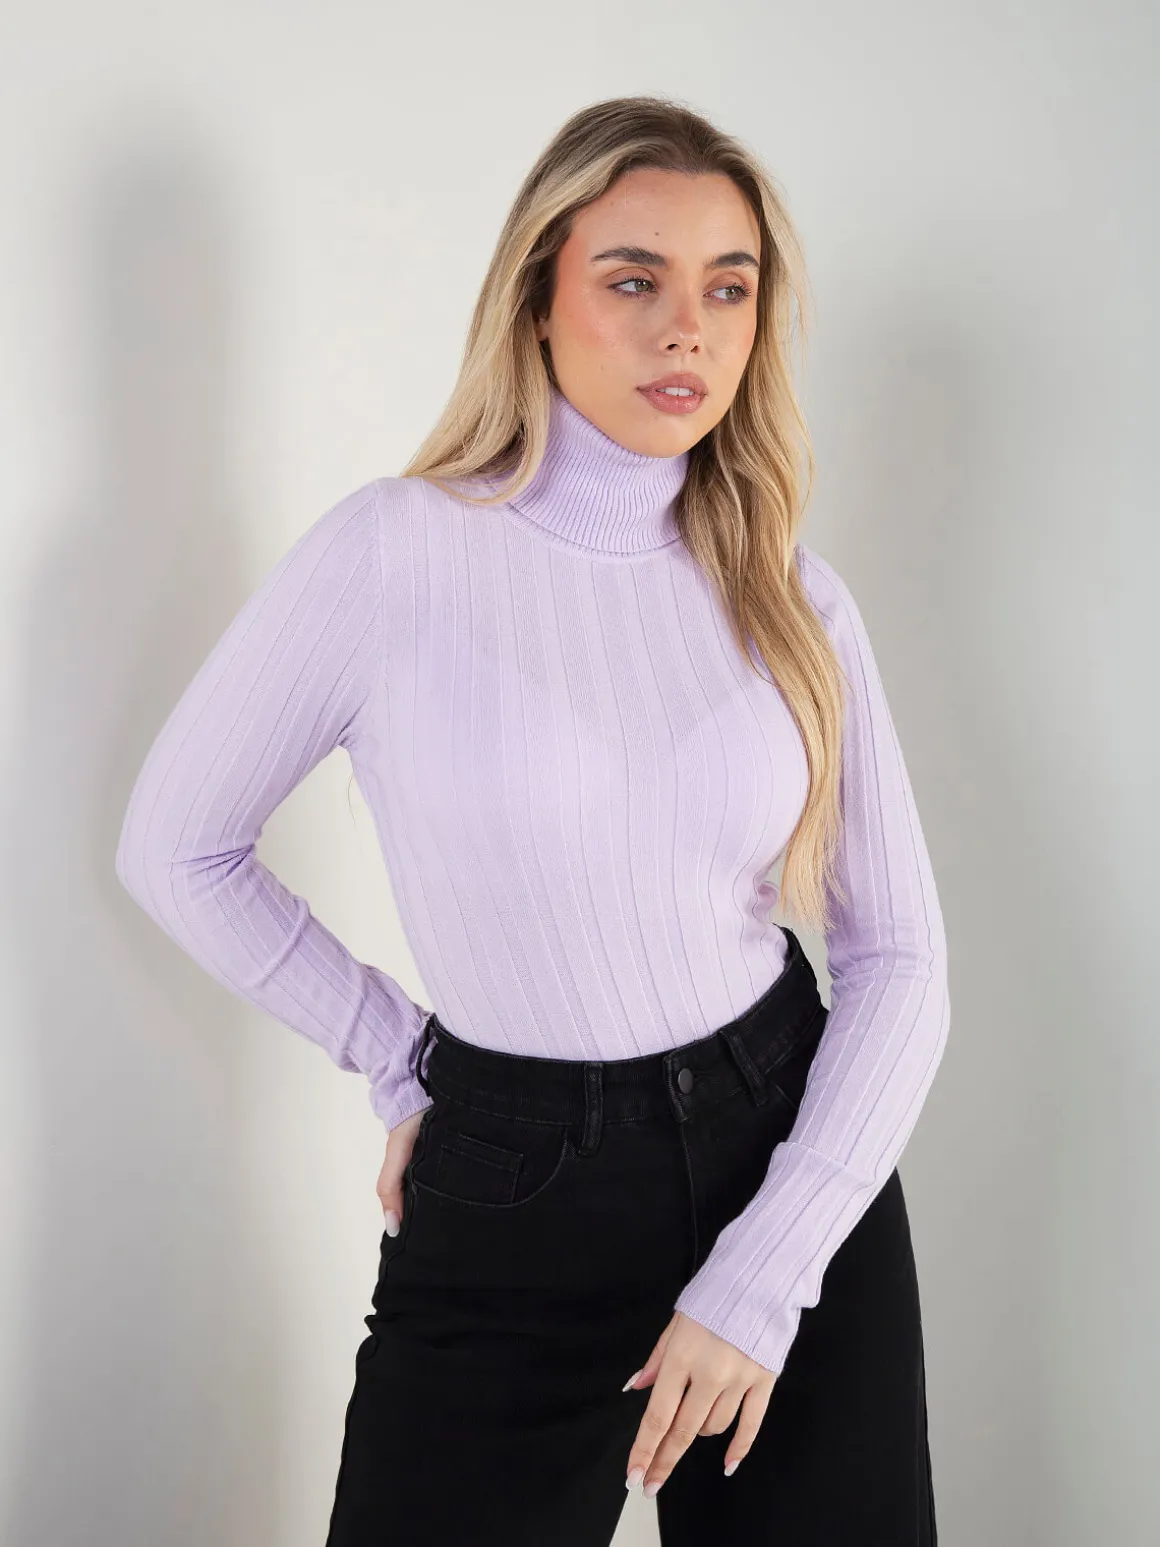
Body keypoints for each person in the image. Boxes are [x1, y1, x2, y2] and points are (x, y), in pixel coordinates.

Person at [115, 94, 949, 1547]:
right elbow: (177, 847)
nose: (686, 330)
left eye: (728, 288)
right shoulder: (396, 554)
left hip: (785, 1158)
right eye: (634, 280)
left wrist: (764, 1275)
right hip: (511, 1186)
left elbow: (900, 959)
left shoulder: (794, 597)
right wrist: (397, 1055)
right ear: (537, 295)